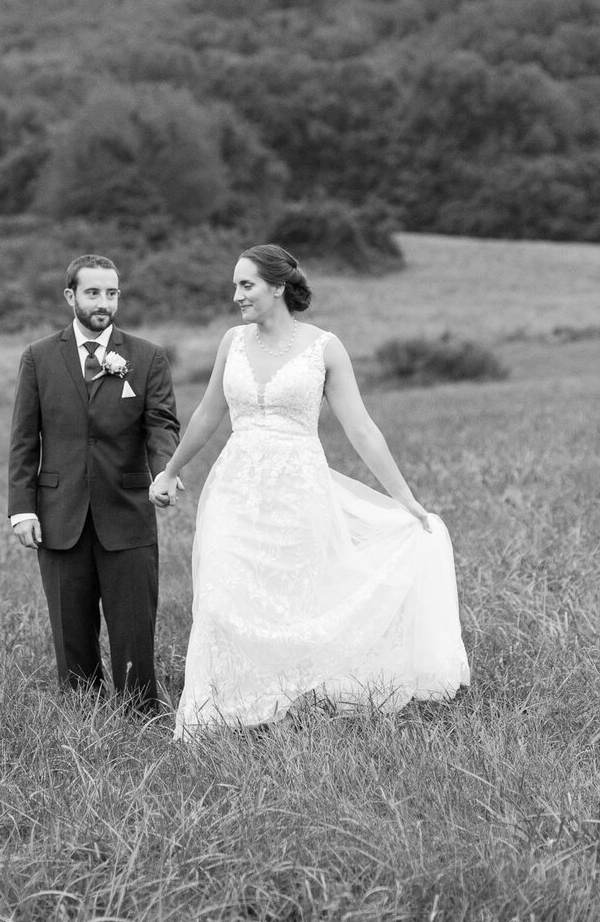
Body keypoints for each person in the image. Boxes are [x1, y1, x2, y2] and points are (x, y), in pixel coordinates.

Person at [149, 244, 470, 738]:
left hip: (298, 490)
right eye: (235, 285)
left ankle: (286, 703)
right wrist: (169, 471)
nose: (236, 295)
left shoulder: (324, 347)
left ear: (277, 287)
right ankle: (216, 711)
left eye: (246, 284)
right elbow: (209, 413)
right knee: (220, 597)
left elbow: (361, 428)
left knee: (293, 602)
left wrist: (405, 499)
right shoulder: (231, 341)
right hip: (235, 489)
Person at [8, 254, 180, 713]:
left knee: (133, 625)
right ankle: (83, 711)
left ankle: (140, 712)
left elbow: (162, 426)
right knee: (71, 627)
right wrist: (22, 509)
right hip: (59, 514)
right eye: (93, 293)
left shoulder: (146, 357)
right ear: (71, 296)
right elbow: (24, 438)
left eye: (111, 293)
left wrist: (166, 469)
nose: (104, 302)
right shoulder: (39, 357)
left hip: (126, 510)